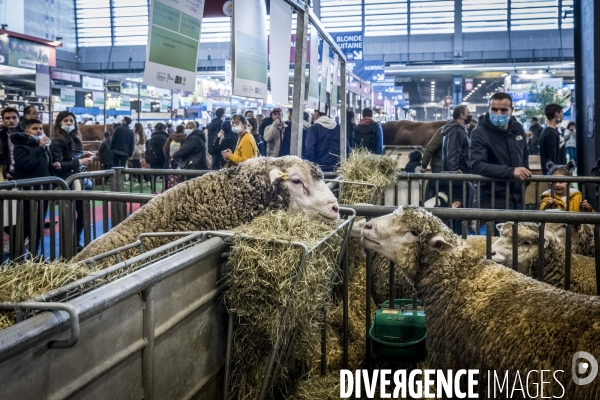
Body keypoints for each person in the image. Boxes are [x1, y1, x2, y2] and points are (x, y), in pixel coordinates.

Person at [469, 92, 530, 210]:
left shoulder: (517, 128)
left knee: (518, 228)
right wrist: (511, 171)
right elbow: (477, 165)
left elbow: (524, 154)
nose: (498, 113)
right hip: (493, 197)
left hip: (517, 195)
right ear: (488, 109)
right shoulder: (479, 133)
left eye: (503, 110)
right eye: (495, 109)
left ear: (511, 110)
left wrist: (524, 179)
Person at [50, 111, 93, 252]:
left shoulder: (76, 139)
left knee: (83, 213)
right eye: (66, 120)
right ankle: (67, 244)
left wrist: (84, 157)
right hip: (67, 182)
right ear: (59, 123)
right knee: (68, 215)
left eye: (71, 121)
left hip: (80, 181)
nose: (69, 123)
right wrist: (80, 161)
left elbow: (73, 159)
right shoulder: (57, 141)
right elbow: (58, 164)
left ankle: (75, 242)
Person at [12, 118, 52, 255]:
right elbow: (26, 164)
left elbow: (47, 166)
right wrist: (40, 148)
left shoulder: (43, 146)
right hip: (28, 191)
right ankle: (16, 257)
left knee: (39, 223)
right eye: (35, 129)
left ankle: (34, 254)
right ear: (27, 131)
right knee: (25, 223)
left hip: (43, 191)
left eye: (41, 128)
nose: (39, 131)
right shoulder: (20, 146)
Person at [304, 106, 348, 172]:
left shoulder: (314, 129)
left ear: (316, 113)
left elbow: (309, 149)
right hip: (337, 168)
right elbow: (346, 147)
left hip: (320, 169)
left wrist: (311, 168)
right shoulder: (338, 127)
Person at [539, 103, 564, 175]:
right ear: (557, 114)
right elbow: (551, 157)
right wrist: (556, 173)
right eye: (561, 112)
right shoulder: (550, 133)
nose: (563, 115)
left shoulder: (552, 131)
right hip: (555, 174)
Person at [0, 106, 24, 180]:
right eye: (7, 118)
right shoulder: (2, 136)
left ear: (19, 119)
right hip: (10, 174)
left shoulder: (26, 135)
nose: (11, 120)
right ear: (3, 121)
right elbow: (4, 156)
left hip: (25, 174)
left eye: (14, 118)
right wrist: (5, 171)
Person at [145, 123, 169, 191]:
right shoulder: (165, 138)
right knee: (165, 175)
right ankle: (164, 190)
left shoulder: (151, 138)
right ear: (164, 129)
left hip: (153, 159)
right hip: (163, 159)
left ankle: (153, 191)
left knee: (153, 176)